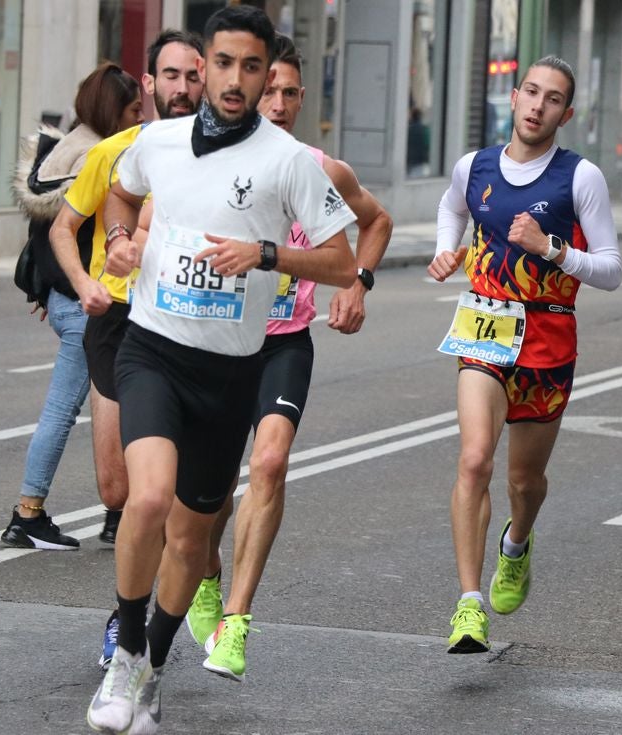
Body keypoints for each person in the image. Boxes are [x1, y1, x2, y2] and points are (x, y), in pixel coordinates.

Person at [85, 7, 358, 733]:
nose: (236, 80)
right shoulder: (160, 139)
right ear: (203, 65)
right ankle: (126, 646)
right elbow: (120, 187)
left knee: (191, 538)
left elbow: (342, 260)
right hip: (154, 349)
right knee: (146, 502)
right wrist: (117, 236)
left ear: (269, 74)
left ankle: (150, 670)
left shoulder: (289, 162)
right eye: (224, 64)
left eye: (251, 67)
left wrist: (268, 255)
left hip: (231, 371)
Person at [188, 32, 393, 683]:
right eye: (266, 88)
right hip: (216, 339)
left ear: (302, 99)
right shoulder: (212, 162)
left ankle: (238, 621)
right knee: (210, 493)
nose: (276, 102)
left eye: (287, 92)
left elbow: (377, 221)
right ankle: (207, 574)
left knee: (270, 463)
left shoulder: (321, 170)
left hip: (283, 343)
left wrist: (359, 282)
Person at [428, 56, 622, 657]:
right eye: (531, 93)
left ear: (567, 112)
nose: (538, 106)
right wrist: (446, 250)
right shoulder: (475, 166)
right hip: (484, 327)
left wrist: (553, 248)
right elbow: (451, 206)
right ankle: (468, 605)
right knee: (474, 459)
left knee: (524, 480)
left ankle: (517, 544)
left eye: (553, 98)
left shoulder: (580, 178)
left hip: (547, 339)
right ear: (513, 98)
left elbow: (611, 271)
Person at [43, 28, 203, 671]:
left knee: (156, 493)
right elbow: (62, 227)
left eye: (193, 76)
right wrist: (84, 284)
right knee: (116, 488)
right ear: (149, 84)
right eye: (171, 76)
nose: (183, 88)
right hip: (119, 320)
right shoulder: (115, 152)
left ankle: (129, 621)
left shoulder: (219, 159)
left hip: (187, 326)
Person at [0, 61, 145, 555]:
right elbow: (79, 234)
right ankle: (28, 514)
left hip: (64, 299)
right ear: (113, 109)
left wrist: (48, 289)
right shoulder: (100, 156)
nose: (138, 117)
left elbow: (40, 236)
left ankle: (114, 514)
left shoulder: (61, 148)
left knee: (108, 405)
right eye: (132, 109)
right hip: (91, 302)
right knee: (70, 409)